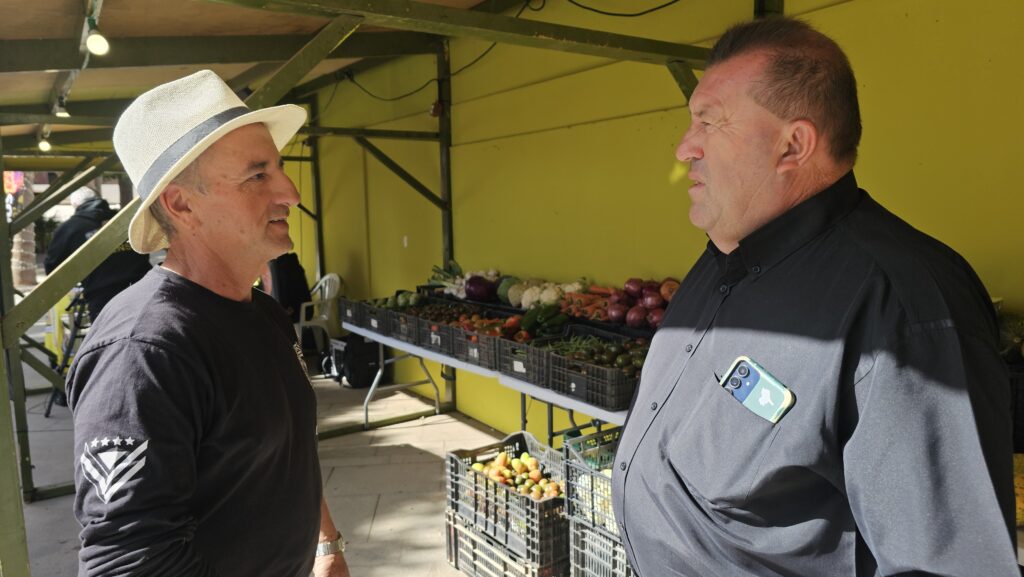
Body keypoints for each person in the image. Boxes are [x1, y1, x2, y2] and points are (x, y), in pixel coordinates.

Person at [611, 17, 1018, 577]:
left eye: (709, 121)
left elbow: (945, 564)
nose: (685, 149)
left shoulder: (897, 306)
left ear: (793, 145)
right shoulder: (728, 255)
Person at [66, 70, 350, 577]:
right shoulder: (144, 350)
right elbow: (128, 560)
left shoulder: (262, 313)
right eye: (258, 175)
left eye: (279, 169)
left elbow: (287, 454)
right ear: (181, 203)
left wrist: (326, 543)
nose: (290, 191)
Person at [43, 186, 152, 322]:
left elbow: (52, 268)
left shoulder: (70, 228)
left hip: (103, 300)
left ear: (75, 205)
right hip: (145, 291)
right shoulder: (126, 220)